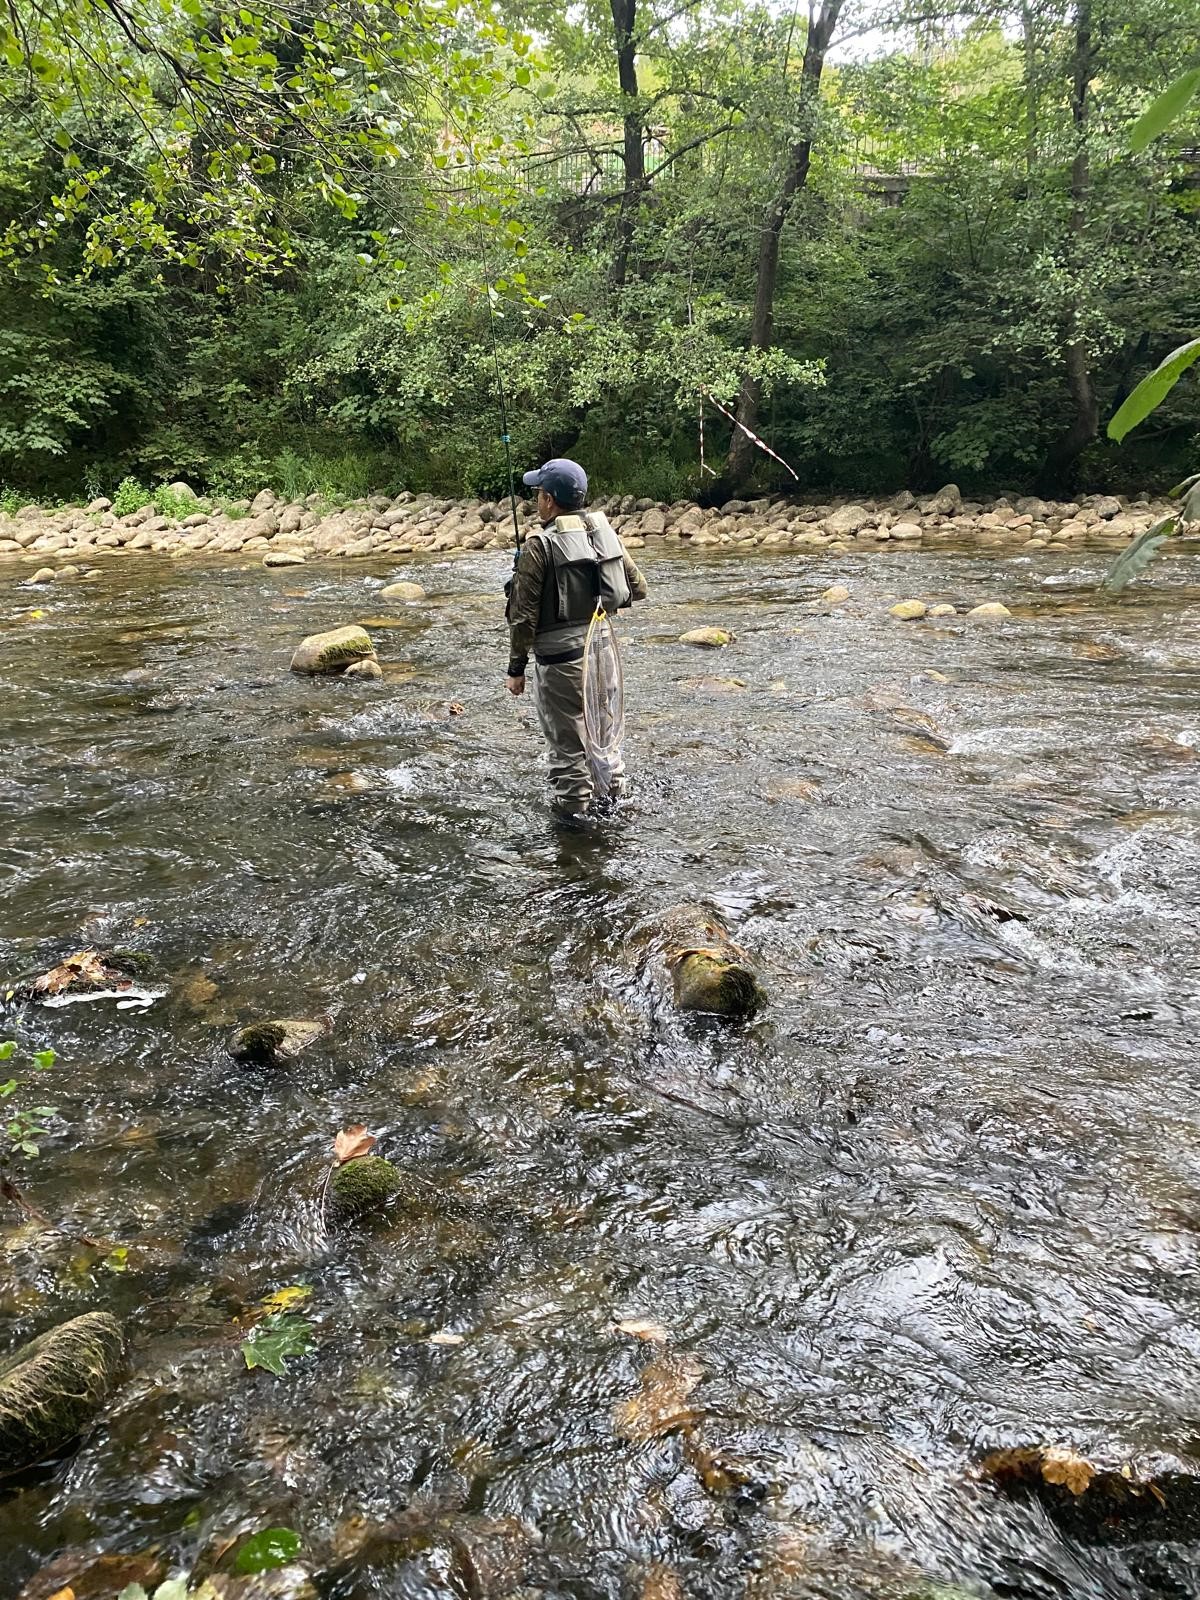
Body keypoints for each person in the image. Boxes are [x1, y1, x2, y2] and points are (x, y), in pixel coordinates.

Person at [505, 457, 648, 816]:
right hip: (603, 656)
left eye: (538, 493)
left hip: (560, 666)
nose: (537, 500)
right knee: (604, 743)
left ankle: (574, 837)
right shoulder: (602, 533)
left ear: (550, 500)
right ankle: (618, 810)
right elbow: (638, 588)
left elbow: (522, 617)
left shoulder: (539, 546)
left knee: (568, 753)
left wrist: (516, 669)